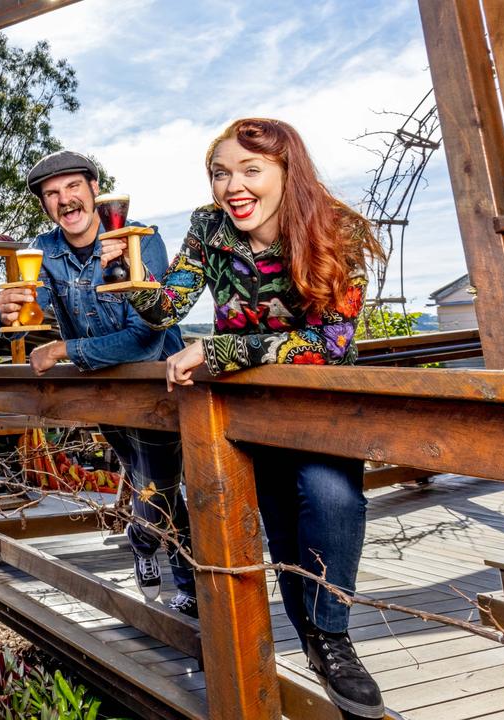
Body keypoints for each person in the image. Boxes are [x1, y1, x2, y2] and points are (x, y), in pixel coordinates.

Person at [102, 117, 386, 718]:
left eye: (250, 170)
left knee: (330, 498)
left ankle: (330, 634)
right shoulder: (209, 227)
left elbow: (330, 342)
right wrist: (128, 274)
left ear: (288, 171)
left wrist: (222, 350)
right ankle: (315, 640)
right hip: (245, 413)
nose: (232, 184)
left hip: (320, 407)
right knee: (281, 523)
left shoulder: (339, 230)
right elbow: (169, 307)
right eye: (220, 172)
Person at [0, 150, 198, 618]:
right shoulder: (43, 252)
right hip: (104, 396)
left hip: (157, 389)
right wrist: (8, 312)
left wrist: (62, 350)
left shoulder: (138, 241)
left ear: (94, 189)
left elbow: (145, 339)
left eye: (72, 188)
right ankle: (168, 563)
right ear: (46, 206)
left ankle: (146, 544)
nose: (65, 200)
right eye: (52, 194)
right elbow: (23, 310)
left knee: (159, 489)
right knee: (154, 486)